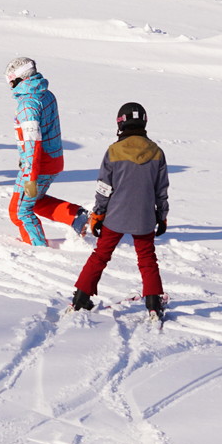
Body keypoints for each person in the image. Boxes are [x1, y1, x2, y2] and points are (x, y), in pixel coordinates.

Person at [71, 103, 169, 318]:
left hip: (114, 217)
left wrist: (97, 215)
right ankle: (153, 302)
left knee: (100, 255)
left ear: (120, 123)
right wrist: (162, 217)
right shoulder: (156, 152)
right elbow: (161, 190)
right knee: (147, 258)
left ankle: (81, 297)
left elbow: (104, 189)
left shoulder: (113, 151)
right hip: (144, 218)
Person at [6, 56, 87, 243]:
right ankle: (76, 216)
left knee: (19, 212)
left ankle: (36, 247)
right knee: (35, 201)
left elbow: (32, 146)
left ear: (20, 79)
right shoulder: (45, 93)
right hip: (53, 159)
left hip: (37, 165)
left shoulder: (28, 106)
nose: (10, 86)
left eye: (11, 81)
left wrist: (30, 178)